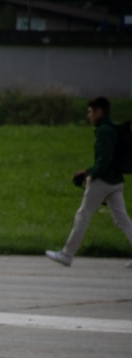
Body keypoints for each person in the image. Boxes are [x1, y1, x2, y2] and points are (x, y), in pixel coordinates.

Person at [46, 97, 132, 268]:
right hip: (115, 181)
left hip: (103, 181)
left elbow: (104, 159)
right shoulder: (111, 128)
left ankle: (66, 254)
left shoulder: (103, 131)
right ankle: (66, 254)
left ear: (99, 111)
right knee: (122, 219)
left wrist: (89, 175)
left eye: (90, 112)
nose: (88, 115)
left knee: (82, 215)